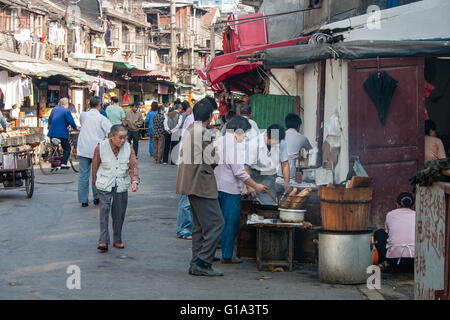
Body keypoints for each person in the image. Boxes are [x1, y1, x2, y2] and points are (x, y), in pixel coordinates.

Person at [177, 98, 225, 276]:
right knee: (217, 223)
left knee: (199, 226)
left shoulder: (191, 129)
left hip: (191, 182)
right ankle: (203, 261)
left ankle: (196, 262)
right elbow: (214, 161)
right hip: (201, 183)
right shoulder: (204, 132)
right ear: (211, 116)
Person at [214, 115, 269, 264]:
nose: (245, 137)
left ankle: (209, 253)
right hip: (230, 190)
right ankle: (227, 255)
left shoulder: (218, 141)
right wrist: (255, 185)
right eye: (245, 133)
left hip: (215, 187)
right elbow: (239, 171)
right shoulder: (234, 146)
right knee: (230, 223)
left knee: (216, 223)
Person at [92, 125, 140, 252]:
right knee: (104, 211)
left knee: (119, 213)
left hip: (121, 183)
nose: (123, 140)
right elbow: (95, 166)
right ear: (111, 136)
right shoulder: (100, 147)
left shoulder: (128, 147)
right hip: (104, 183)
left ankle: (117, 239)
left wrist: (134, 180)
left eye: (125, 137)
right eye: (120, 138)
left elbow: (133, 165)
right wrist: (95, 183)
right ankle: (103, 241)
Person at [77, 96, 112, 208]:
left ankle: (83, 200)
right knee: (97, 174)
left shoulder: (83, 115)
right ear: (99, 106)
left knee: (83, 175)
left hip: (83, 148)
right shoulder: (102, 118)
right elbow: (111, 131)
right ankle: (97, 197)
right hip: (96, 149)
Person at [245, 124, 290, 205]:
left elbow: (285, 164)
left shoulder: (281, 143)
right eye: (274, 142)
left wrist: (286, 182)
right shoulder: (254, 144)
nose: (276, 145)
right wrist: (250, 186)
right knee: (252, 204)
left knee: (269, 204)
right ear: (267, 135)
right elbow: (246, 167)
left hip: (270, 176)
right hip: (254, 175)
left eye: (278, 143)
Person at [374, 192, 416, 273]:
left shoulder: (390, 215)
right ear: (413, 205)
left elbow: (387, 233)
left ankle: (385, 262)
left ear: (397, 204)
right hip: (415, 262)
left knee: (379, 233)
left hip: (394, 261)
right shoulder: (418, 215)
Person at [48, 97, 79, 170]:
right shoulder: (66, 111)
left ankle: (53, 166)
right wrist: (75, 127)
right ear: (66, 104)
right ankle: (63, 163)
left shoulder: (54, 109)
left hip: (52, 133)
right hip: (61, 133)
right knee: (67, 148)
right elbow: (71, 121)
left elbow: (50, 119)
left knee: (54, 148)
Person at [283, 113, 312, 179]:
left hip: (275, 170)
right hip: (289, 171)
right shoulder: (302, 137)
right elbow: (311, 151)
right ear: (298, 126)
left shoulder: (278, 133)